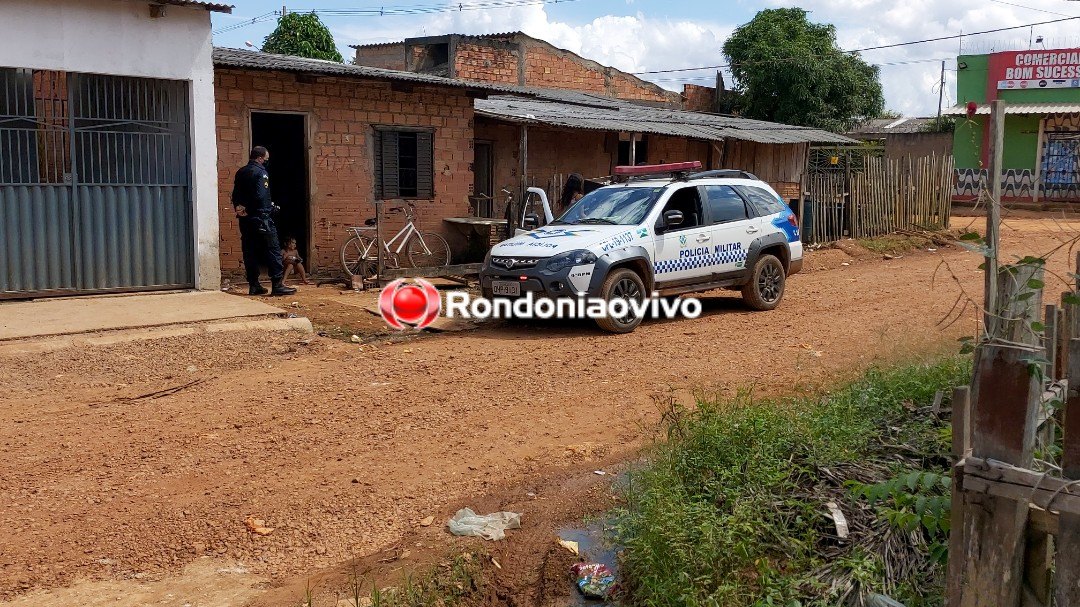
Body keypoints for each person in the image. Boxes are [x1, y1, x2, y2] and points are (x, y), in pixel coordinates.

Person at [231, 146, 295, 296]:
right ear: (260, 158)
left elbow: (235, 195)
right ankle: (277, 285)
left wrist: (240, 209)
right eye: (265, 160)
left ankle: (254, 285)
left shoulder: (241, 172)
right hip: (261, 218)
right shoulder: (261, 173)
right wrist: (263, 209)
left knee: (250, 251)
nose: (266, 162)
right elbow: (260, 197)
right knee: (272, 250)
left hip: (245, 219)